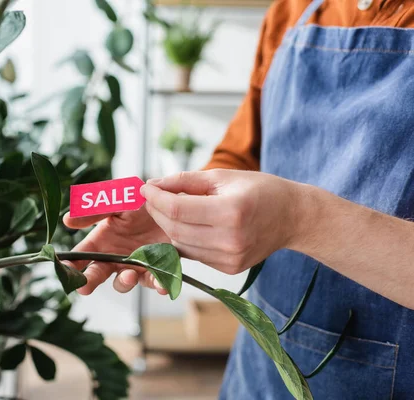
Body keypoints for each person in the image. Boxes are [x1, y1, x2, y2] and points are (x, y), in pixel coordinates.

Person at [63, 0, 414, 398]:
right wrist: (175, 209)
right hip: (263, 367)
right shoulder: (292, 10)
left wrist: (299, 217)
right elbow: (240, 155)